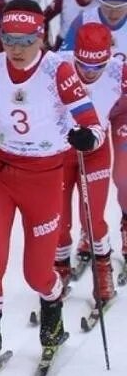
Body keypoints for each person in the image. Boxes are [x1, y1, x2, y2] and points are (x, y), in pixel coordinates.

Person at [0, 0, 105, 373]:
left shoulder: (57, 71)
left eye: (25, 40)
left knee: (38, 274)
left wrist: (86, 140)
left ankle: (52, 306)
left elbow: (93, 126)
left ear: (40, 38)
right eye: (8, 39)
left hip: (44, 178)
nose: (15, 48)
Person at [55, 22, 122, 303]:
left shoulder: (120, 70)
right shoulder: (57, 66)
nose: (89, 72)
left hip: (95, 152)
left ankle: (103, 270)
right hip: (59, 152)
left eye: (98, 67)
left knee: (92, 218)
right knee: (57, 218)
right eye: (83, 64)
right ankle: (59, 269)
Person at [62, 0, 127, 253]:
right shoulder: (85, 20)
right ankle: (89, 234)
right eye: (107, 5)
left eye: (120, 7)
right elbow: (62, 60)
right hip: (90, 106)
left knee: (124, 175)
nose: (112, 13)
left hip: (123, 108)